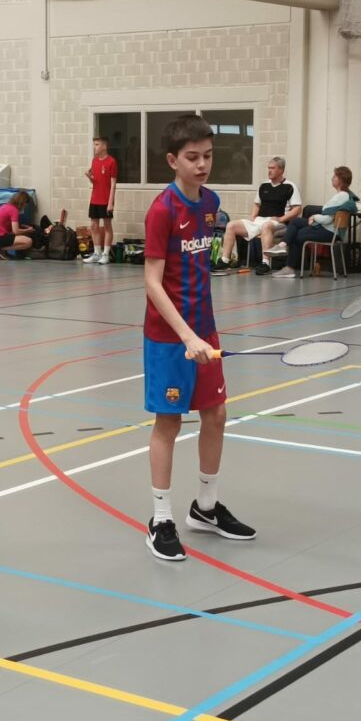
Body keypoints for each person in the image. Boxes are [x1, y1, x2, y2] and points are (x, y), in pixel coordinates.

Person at [142, 115, 256, 562]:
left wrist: (202, 331)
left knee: (217, 414)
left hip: (203, 329)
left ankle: (205, 508)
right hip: (169, 337)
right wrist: (186, 335)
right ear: (173, 160)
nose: (202, 164)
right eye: (192, 157)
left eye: (208, 156)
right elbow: (153, 282)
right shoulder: (162, 210)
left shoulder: (210, 203)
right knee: (169, 422)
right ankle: (161, 519)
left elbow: (198, 266)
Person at [213, 156, 302, 275]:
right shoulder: (264, 185)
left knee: (266, 226)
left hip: (279, 223)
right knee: (231, 225)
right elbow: (256, 204)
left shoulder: (290, 186)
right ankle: (224, 261)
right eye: (268, 168)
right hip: (259, 221)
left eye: (272, 168)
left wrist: (281, 218)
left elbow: (297, 209)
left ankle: (265, 263)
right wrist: (253, 216)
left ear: (281, 170)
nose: (269, 171)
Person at [272, 166, 358, 278]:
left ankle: (289, 267)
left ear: (341, 179)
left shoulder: (341, 197)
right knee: (296, 222)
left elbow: (327, 219)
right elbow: (328, 215)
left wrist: (315, 217)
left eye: (335, 176)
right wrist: (316, 217)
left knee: (297, 235)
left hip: (329, 231)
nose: (332, 178)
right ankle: (282, 245)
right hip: (326, 227)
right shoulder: (343, 195)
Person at [82, 135, 117, 265]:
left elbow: (113, 183)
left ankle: (106, 254)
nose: (94, 147)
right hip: (95, 198)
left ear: (104, 146)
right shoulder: (94, 161)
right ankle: (97, 253)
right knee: (93, 226)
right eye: (94, 144)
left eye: (97, 144)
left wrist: (110, 202)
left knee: (107, 226)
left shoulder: (111, 161)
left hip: (106, 199)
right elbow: (95, 181)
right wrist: (89, 177)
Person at [0, 191, 35, 259]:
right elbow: (15, 231)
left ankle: (0, 250)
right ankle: (1, 249)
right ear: (22, 202)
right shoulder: (14, 210)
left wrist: (23, 226)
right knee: (29, 241)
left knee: (23, 236)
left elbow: (8, 225)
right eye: (25, 204)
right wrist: (28, 230)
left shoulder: (6, 206)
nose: (24, 207)